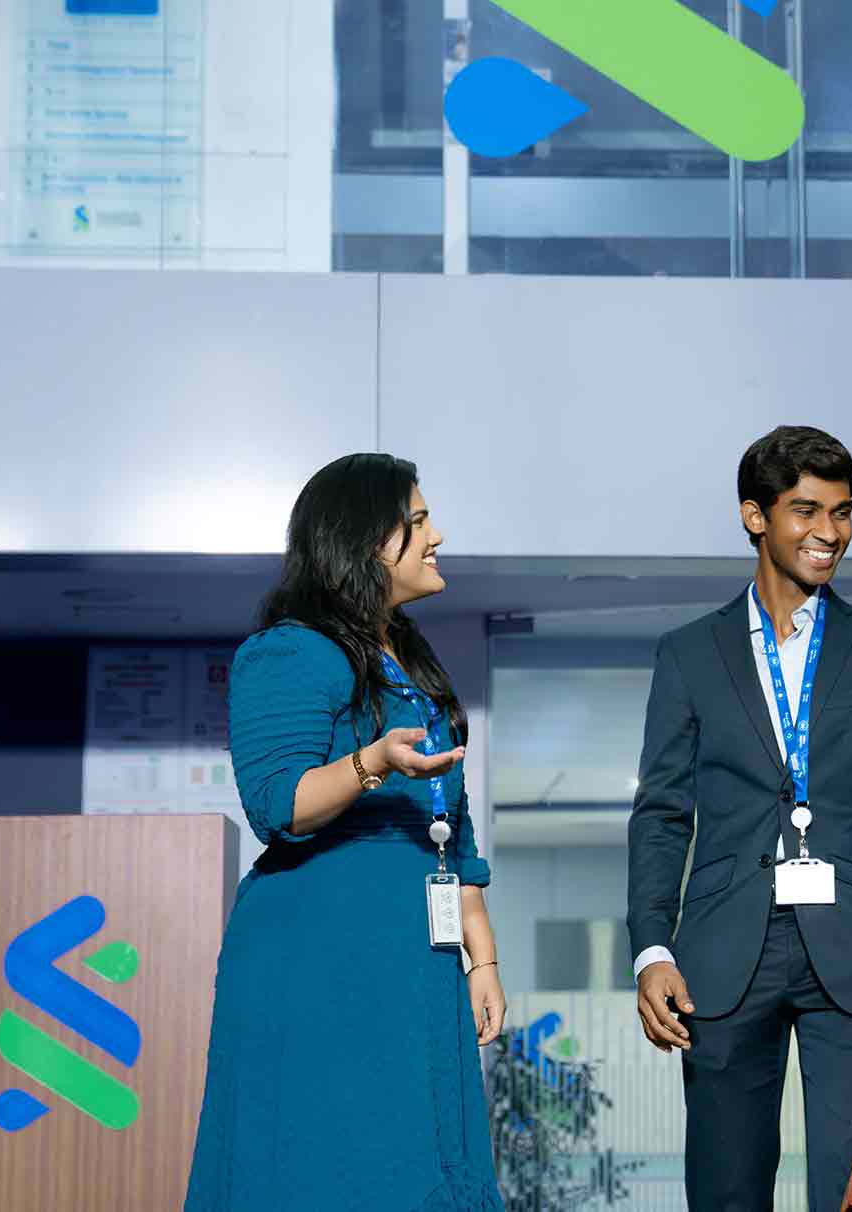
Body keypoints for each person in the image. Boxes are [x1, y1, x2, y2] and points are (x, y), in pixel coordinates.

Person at [627, 425, 852, 1212]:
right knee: (724, 1193)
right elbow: (661, 813)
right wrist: (651, 947)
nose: (830, 533)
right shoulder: (688, 654)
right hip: (718, 958)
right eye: (807, 510)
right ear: (756, 516)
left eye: (843, 512)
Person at [185, 453, 506, 1212]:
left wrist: (482, 958)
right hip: (323, 955)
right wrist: (370, 762)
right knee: (331, 1161)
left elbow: (450, 831)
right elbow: (277, 802)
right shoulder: (292, 651)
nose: (437, 535)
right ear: (367, 542)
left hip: (415, 954)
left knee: (419, 1155)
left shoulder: (413, 662)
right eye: (419, 521)